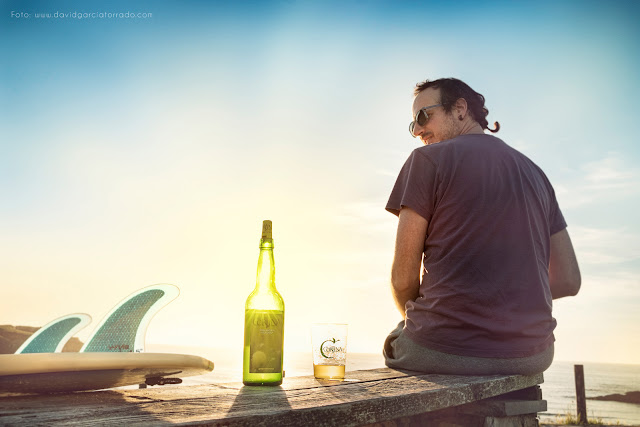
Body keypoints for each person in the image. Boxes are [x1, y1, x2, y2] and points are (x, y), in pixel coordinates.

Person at [383, 78, 581, 375]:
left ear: (460, 108)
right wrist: (505, 299)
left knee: (396, 337)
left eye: (424, 116)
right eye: (413, 125)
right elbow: (568, 280)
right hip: (531, 354)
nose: (419, 130)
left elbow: (402, 279)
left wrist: (432, 318)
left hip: (441, 348)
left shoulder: (425, 160)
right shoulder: (537, 175)